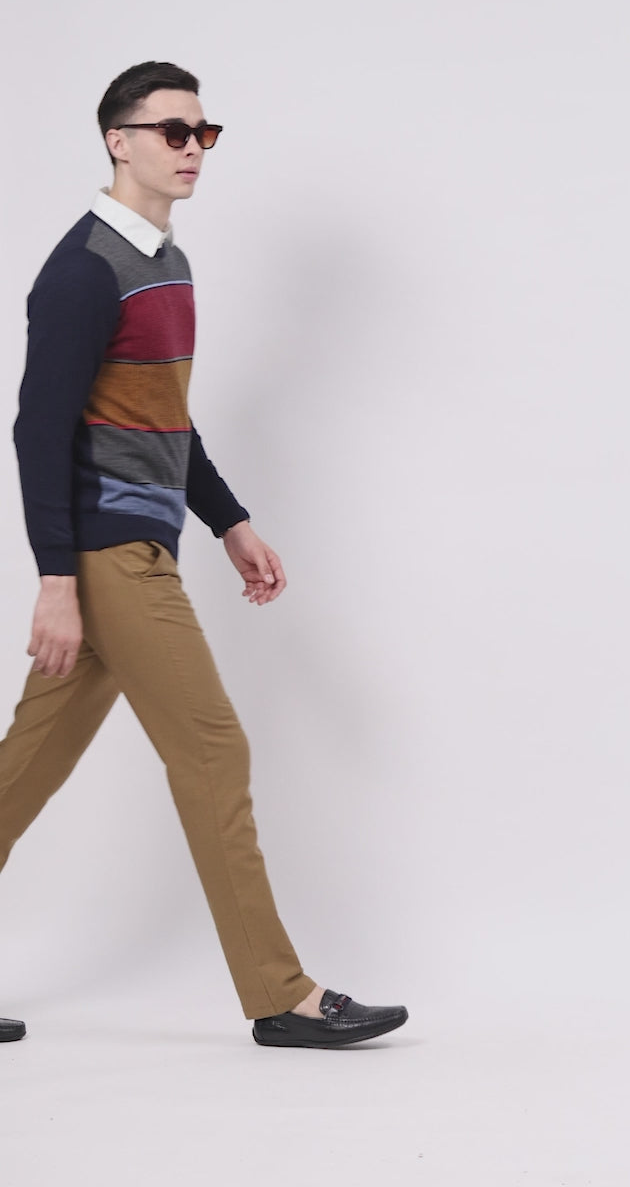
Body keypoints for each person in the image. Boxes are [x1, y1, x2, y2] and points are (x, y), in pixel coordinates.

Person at [0, 61, 408, 1049]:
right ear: (118, 140)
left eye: (203, 133)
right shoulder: (83, 270)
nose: (192, 149)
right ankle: (282, 994)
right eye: (172, 131)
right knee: (214, 748)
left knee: (22, 771)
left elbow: (162, 417)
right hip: (108, 554)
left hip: (138, 544)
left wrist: (229, 521)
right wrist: (57, 580)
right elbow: (36, 429)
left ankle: (280, 991)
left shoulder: (166, 263)